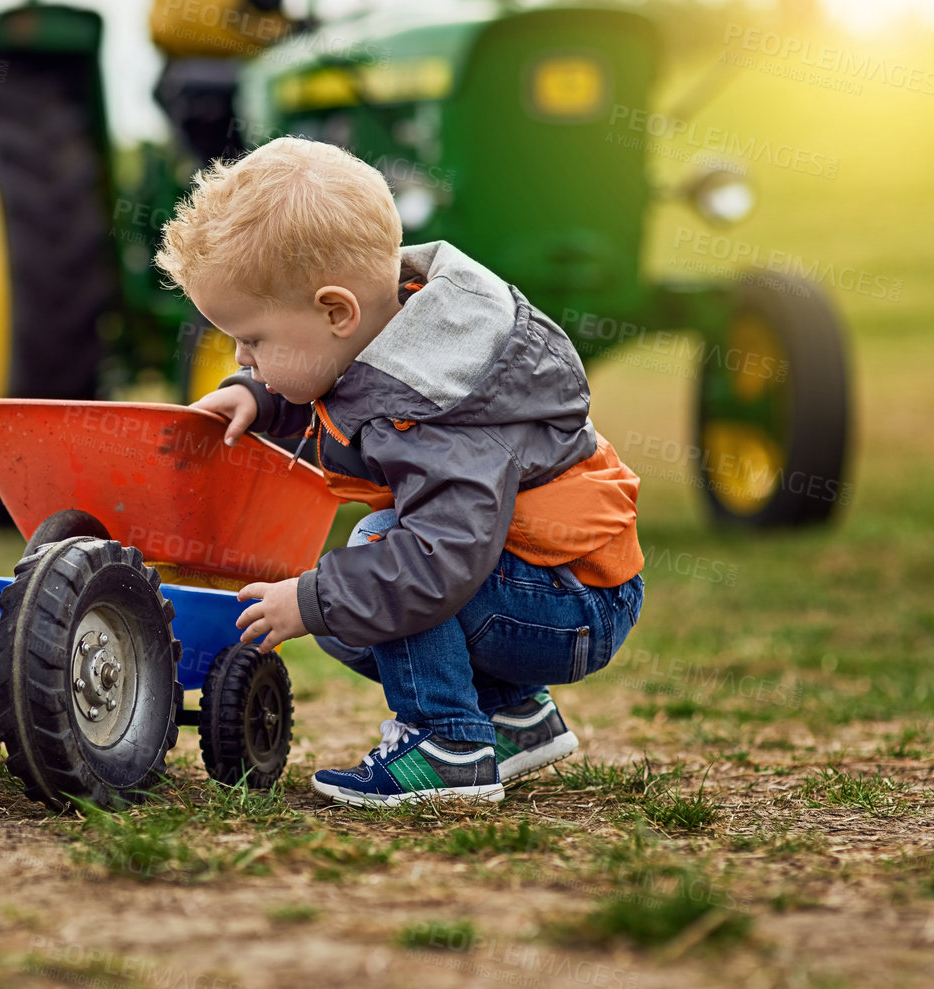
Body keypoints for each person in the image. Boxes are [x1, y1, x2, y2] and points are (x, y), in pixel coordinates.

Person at [156, 137, 645, 807]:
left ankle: (447, 745)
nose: (240, 354)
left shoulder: (440, 398)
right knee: (353, 607)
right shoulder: (398, 337)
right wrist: (262, 395)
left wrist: (313, 599)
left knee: (380, 554)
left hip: (573, 602)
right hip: (544, 584)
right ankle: (513, 718)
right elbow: (349, 403)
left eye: (254, 341)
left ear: (336, 311)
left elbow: (440, 557)